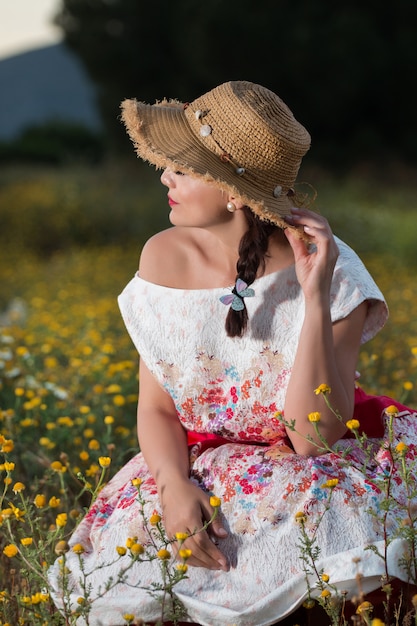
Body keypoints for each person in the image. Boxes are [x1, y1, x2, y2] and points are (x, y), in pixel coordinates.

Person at [49, 80, 417, 626]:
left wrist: (314, 298)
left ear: (231, 191)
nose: (164, 177)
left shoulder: (335, 273)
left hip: (309, 467)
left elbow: (311, 438)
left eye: (184, 168)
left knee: (329, 550)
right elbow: (156, 408)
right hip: (189, 466)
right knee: (144, 567)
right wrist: (174, 486)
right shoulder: (161, 258)